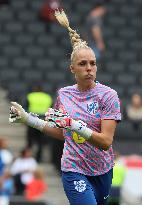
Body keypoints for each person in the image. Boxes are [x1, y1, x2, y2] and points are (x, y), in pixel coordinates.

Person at [9, 9, 121, 205]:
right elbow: (63, 133)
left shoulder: (108, 95)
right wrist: (27, 119)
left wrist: (73, 124)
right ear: (72, 69)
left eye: (93, 63)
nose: (89, 68)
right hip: (73, 168)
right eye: (83, 64)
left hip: (102, 169)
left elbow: (105, 142)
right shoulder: (64, 94)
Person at [25, 84, 53, 162]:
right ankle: (38, 158)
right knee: (40, 141)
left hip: (32, 120)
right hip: (43, 121)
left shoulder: (30, 96)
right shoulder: (47, 97)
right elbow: (51, 109)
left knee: (30, 140)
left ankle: (27, 156)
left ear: (34, 89)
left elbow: (26, 108)